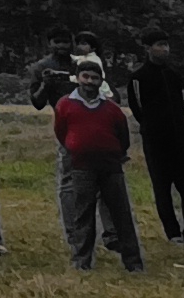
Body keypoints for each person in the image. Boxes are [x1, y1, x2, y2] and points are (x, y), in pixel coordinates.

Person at [57, 55, 147, 270]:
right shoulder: (66, 105)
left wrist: (114, 152)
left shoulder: (112, 109)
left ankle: (133, 263)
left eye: (94, 78)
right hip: (81, 167)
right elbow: (61, 132)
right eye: (85, 77)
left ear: (101, 81)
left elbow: (123, 137)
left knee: (121, 215)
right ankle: (82, 262)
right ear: (78, 78)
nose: (89, 81)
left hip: (111, 167)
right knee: (82, 216)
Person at [133, 36, 184, 244]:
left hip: (180, 141)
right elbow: (138, 108)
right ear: (148, 48)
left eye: (166, 44)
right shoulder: (139, 77)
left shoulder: (173, 74)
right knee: (162, 188)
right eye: (160, 45)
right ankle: (172, 232)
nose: (165, 49)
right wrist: (152, 128)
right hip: (156, 144)